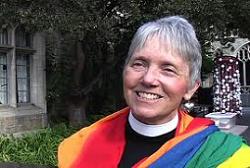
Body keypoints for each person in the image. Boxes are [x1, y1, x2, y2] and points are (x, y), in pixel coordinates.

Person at [58, 16, 250, 168]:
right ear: (125, 71)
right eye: (139, 64)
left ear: (191, 88)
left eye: (168, 69)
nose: (148, 79)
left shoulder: (225, 156)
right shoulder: (79, 147)